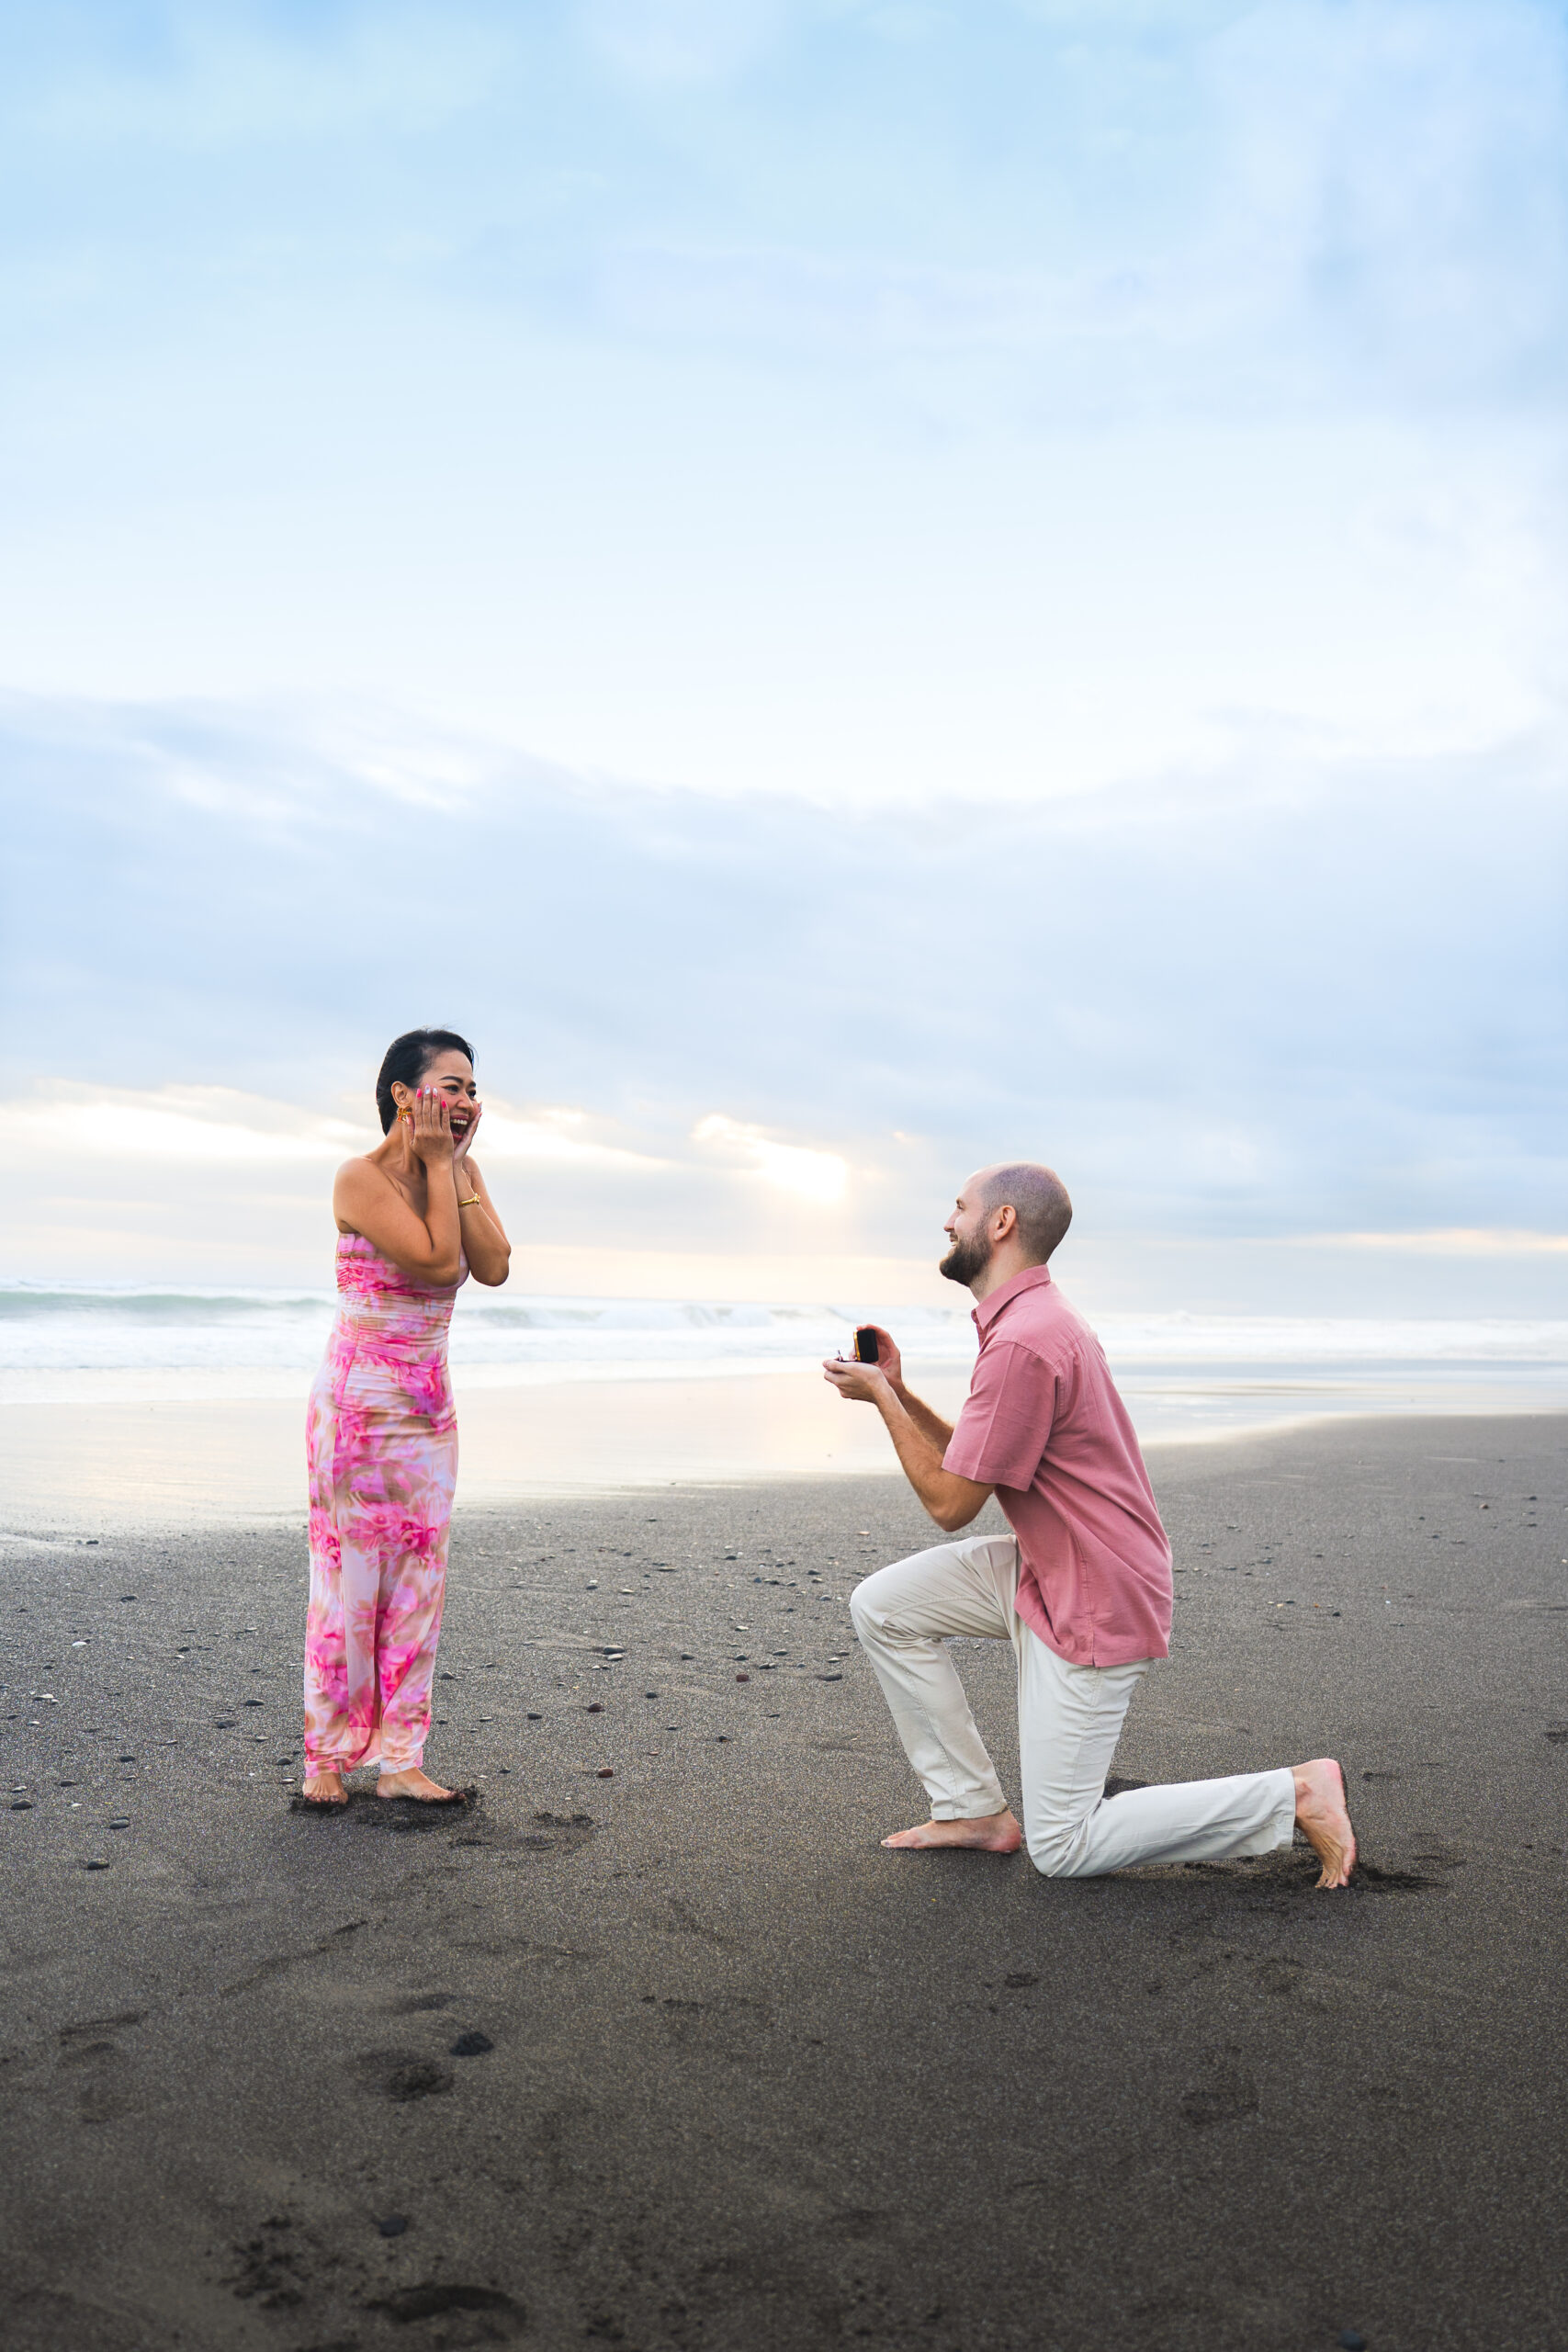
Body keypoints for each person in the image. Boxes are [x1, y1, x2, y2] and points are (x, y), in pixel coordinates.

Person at [822, 1164, 1356, 1887]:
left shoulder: (1023, 1341)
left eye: (958, 1208)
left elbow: (950, 1506)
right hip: (1051, 1563)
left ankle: (1292, 1795)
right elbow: (975, 1465)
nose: (947, 1222)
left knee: (1064, 1847)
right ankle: (972, 1811)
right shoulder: (1026, 1324)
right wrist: (900, 1391)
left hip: (1094, 1589)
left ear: (1001, 1222)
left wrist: (881, 1401)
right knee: (885, 1606)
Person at [299, 1028, 511, 1807]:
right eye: (450, 1086)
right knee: (348, 1582)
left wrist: (451, 1169)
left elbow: (493, 1267)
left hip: (428, 1413)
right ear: (402, 1095)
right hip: (357, 1411)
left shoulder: (459, 1171)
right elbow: (435, 1261)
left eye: (472, 1089)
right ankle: (326, 1757)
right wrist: (439, 1169)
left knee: (420, 1582)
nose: (467, 1101)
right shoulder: (358, 1178)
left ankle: (400, 1761)